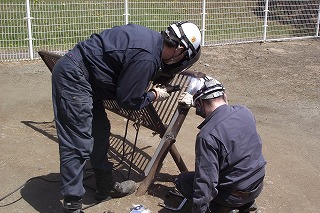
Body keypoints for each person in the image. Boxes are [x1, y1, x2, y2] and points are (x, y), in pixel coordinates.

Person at [51, 21, 201, 213]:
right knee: (77, 142)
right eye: (184, 58)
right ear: (179, 49)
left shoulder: (151, 41)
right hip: (75, 78)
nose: (179, 63)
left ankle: (105, 186)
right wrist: (154, 95)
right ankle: (72, 205)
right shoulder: (148, 57)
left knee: (100, 130)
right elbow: (128, 100)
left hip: (89, 80)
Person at [176, 76, 267, 213]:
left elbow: (206, 182)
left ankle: (222, 208)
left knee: (183, 181)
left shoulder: (207, 135)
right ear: (224, 95)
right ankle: (245, 204)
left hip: (234, 195)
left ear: (199, 104)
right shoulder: (244, 112)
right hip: (256, 185)